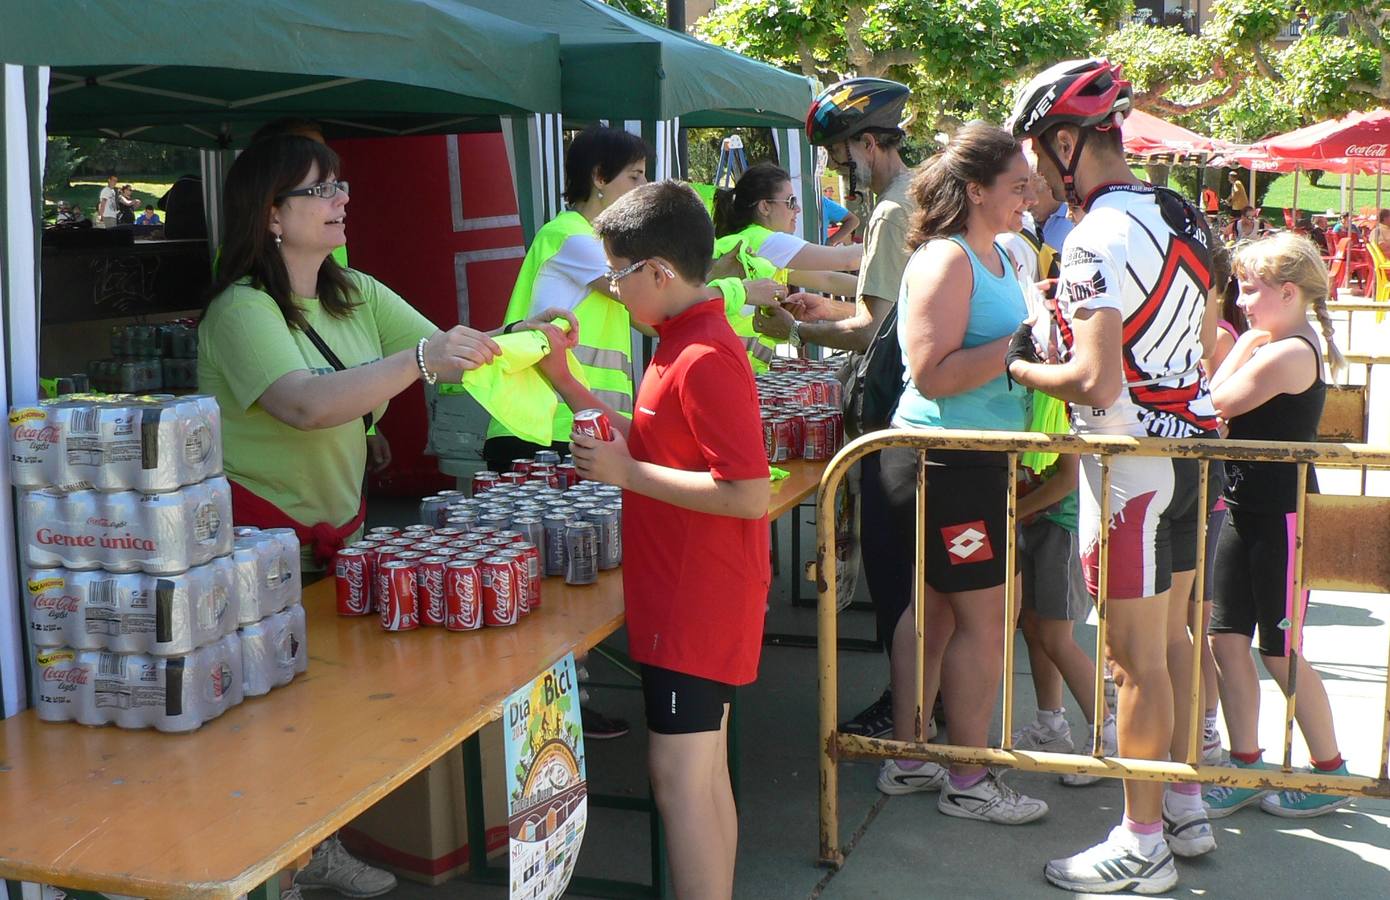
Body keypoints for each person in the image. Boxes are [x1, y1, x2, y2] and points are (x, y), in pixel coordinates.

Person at [197, 135, 573, 900]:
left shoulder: (354, 291)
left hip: (343, 535)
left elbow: (450, 350)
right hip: (259, 549)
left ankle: (316, 847)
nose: (342, 200)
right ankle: (274, 873)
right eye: (321, 191)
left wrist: (529, 335)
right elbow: (304, 403)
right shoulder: (240, 309)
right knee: (263, 719)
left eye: (340, 187)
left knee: (325, 712)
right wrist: (426, 360)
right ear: (271, 214)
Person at [1007, 58, 1222, 893]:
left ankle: (1142, 843)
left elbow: (1094, 380)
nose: (1033, 173)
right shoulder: (1184, 215)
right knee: (1167, 647)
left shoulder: (1093, 234)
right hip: (1189, 455)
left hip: (1126, 466)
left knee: (1133, 662)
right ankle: (1184, 808)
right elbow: (1198, 344)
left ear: (1067, 142)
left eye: (1036, 153)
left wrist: (1027, 367)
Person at [534, 181, 771, 900]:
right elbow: (656, 446)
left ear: (659, 272)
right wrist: (566, 382)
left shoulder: (702, 356)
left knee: (679, 784)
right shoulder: (679, 343)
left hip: (696, 599)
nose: (610, 289)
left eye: (617, 274)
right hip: (686, 592)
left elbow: (748, 493)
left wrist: (625, 474)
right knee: (699, 779)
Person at [869, 121, 1049, 825]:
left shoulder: (1001, 254)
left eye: (1031, 183)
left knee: (939, 613)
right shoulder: (947, 259)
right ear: (975, 190)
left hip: (972, 460)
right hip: (944, 460)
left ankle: (914, 758)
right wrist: (1019, 346)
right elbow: (930, 373)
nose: (1029, 197)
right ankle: (968, 777)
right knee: (987, 617)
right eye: (1017, 185)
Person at [1203, 233, 1352, 819]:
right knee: (1226, 639)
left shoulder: (1290, 350)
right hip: (1246, 509)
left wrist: (1244, 344)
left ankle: (1330, 769)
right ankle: (1245, 764)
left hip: (1284, 518)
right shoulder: (1276, 339)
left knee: (1281, 651)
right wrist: (1251, 338)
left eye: (1250, 288)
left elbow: (1220, 398)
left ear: (1288, 293)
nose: (1240, 300)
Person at [796, 77, 918, 740]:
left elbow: (873, 326)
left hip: (894, 414)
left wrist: (794, 330)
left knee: (896, 576)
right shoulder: (918, 193)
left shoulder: (896, 209)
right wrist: (822, 305)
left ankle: (906, 716)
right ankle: (919, 709)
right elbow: (882, 301)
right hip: (915, 410)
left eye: (843, 154)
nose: (840, 169)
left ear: (872, 143)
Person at [482, 125, 651, 473]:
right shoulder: (571, 237)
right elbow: (651, 298)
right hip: (546, 429)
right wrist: (733, 286)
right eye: (635, 177)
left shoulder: (601, 248)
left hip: (579, 425)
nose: (644, 189)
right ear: (599, 177)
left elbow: (651, 319)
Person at [711, 163, 861, 370]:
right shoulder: (764, 241)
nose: (798, 209)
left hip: (732, 365)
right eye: (791, 202)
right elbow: (847, 259)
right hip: (727, 366)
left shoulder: (755, 243)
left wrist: (885, 288)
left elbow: (828, 279)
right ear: (765, 207)